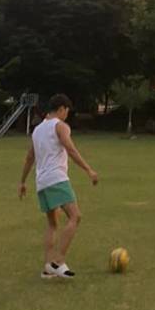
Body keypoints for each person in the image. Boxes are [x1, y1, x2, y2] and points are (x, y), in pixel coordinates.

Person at [19, 93, 98, 280]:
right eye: (67, 111)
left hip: (42, 182)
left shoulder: (37, 130)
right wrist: (89, 170)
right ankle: (58, 261)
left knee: (52, 224)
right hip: (57, 178)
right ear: (62, 109)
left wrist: (22, 181)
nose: (66, 115)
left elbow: (30, 157)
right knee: (75, 216)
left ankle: (48, 269)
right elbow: (70, 149)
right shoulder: (60, 126)